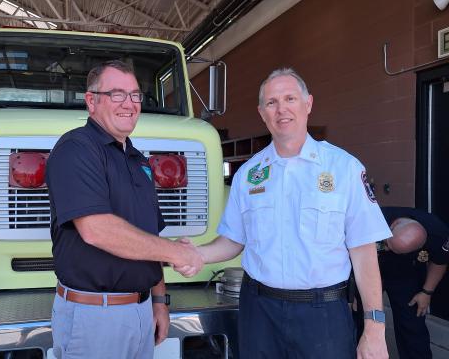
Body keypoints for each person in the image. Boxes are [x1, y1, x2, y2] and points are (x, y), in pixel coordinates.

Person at [175, 67, 392, 358]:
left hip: (323, 315)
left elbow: (364, 254)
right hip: (260, 312)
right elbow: (233, 241)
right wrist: (197, 255)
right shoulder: (249, 174)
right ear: (262, 113)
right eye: (271, 102)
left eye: (290, 99)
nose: (281, 110)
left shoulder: (344, 168)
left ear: (308, 104)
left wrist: (375, 328)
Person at [46, 60, 203, 359]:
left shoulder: (138, 161)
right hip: (95, 318)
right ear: (91, 101)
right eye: (117, 94)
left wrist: (159, 301)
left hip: (141, 312)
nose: (129, 104)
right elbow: (96, 229)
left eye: (135, 95)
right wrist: (179, 253)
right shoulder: (76, 149)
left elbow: (149, 238)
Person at [354, 207, 449, 359]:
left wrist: (426, 292)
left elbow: (440, 261)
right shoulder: (371, 220)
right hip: (370, 269)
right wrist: (351, 291)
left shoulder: (437, 232)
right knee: (362, 320)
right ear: (392, 226)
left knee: (412, 325)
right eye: (386, 245)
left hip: (406, 274)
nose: (387, 249)